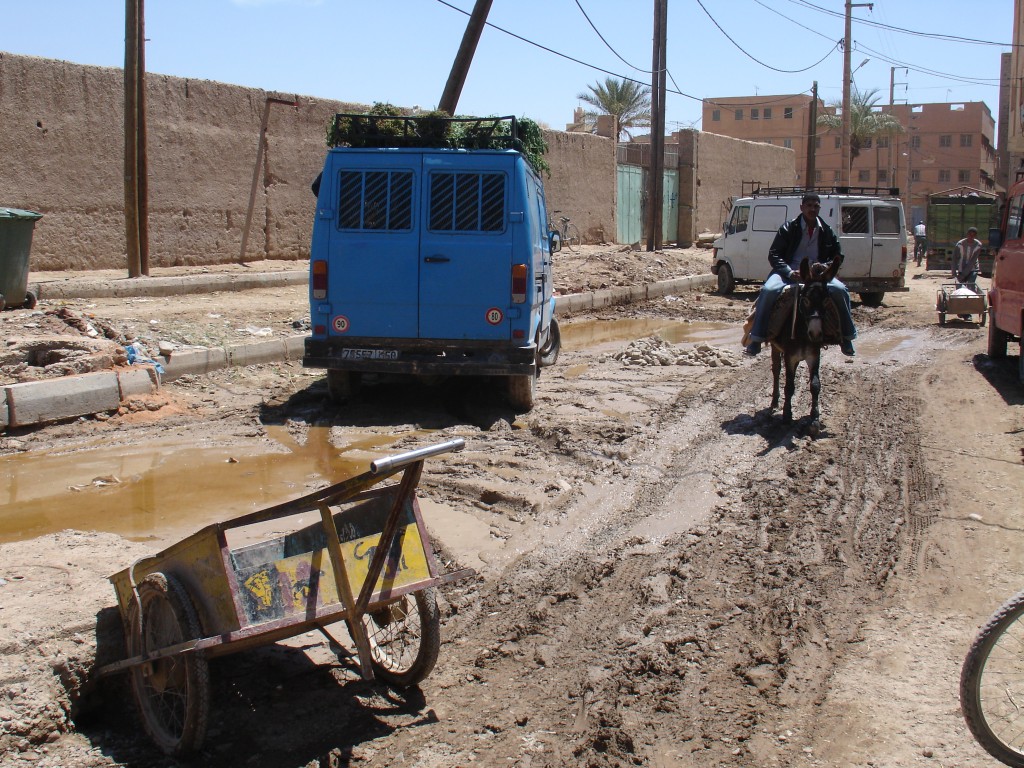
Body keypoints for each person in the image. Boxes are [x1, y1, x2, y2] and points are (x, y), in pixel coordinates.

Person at [745, 193, 857, 357]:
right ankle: (756, 338)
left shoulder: (827, 231)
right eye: (809, 205)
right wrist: (789, 272)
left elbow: (838, 256)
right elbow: (774, 255)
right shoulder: (788, 228)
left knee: (841, 291)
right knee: (768, 291)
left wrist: (824, 267)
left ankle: (847, 337)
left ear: (819, 208)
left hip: (817, 275)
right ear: (802, 208)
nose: (812, 209)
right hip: (789, 272)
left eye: (816, 206)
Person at [952, 226, 982, 320]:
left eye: (973, 235)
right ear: (967, 234)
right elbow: (954, 258)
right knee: (960, 289)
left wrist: (963, 275)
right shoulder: (960, 244)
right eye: (970, 235)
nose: (971, 237)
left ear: (975, 236)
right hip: (961, 268)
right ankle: (960, 310)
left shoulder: (978, 245)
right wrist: (954, 271)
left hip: (972, 269)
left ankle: (968, 312)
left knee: (970, 287)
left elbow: (973, 260)